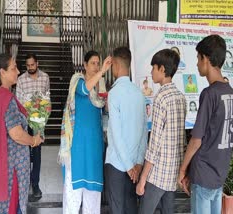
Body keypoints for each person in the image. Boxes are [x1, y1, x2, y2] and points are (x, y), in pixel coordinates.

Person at [0, 53, 43, 214]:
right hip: (11, 169)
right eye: (13, 68)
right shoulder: (7, 99)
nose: (18, 71)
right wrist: (33, 140)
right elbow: (16, 134)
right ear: (2, 72)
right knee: (11, 206)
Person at [178, 35, 233, 214]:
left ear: (206, 59)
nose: (196, 63)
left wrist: (183, 170)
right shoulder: (230, 92)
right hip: (219, 173)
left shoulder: (209, 94)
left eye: (198, 58)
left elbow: (196, 141)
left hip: (204, 173)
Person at [58, 50, 111, 213]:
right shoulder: (78, 82)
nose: (96, 66)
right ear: (85, 65)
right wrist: (102, 71)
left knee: (93, 195)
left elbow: (105, 117)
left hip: (94, 148)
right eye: (93, 63)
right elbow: (84, 89)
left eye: (98, 63)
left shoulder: (100, 90)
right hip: (77, 149)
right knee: (73, 195)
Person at [136, 49, 187, 214]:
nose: (151, 72)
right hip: (172, 173)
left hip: (158, 174)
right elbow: (182, 139)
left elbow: (155, 142)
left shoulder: (160, 98)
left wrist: (143, 178)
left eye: (153, 68)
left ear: (162, 69)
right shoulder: (181, 97)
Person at [105, 47, 147, 214]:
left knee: (117, 208)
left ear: (115, 64)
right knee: (131, 207)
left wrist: (129, 166)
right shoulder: (139, 93)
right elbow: (144, 131)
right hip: (135, 166)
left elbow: (116, 133)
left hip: (117, 164)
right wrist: (137, 163)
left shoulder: (114, 93)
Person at [15, 53, 50, 200]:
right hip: (24, 121)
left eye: (32, 65)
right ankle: (23, 183)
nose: (30, 68)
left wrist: (43, 117)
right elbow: (18, 100)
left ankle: (35, 185)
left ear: (37, 63)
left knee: (37, 155)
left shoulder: (45, 78)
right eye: (27, 66)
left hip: (39, 123)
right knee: (23, 154)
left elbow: (47, 99)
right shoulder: (21, 79)